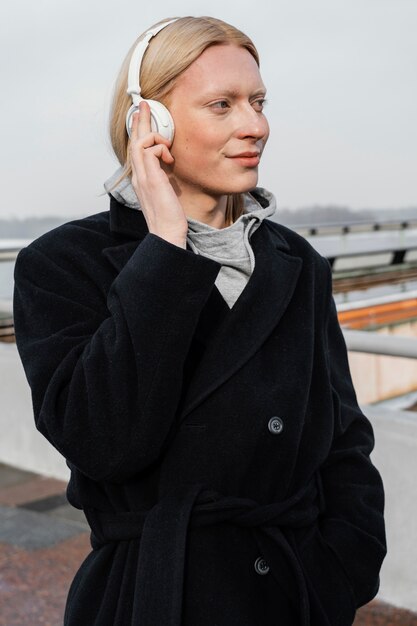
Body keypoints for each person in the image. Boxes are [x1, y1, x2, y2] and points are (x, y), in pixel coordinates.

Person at [13, 15, 386, 626]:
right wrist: (164, 246)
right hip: (151, 594)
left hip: (293, 593)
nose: (256, 126)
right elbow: (102, 442)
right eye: (223, 105)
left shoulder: (299, 265)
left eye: (259, 102)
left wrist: (342, 567)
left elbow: (343, 440)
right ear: (149, 122)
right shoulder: (60, 265)